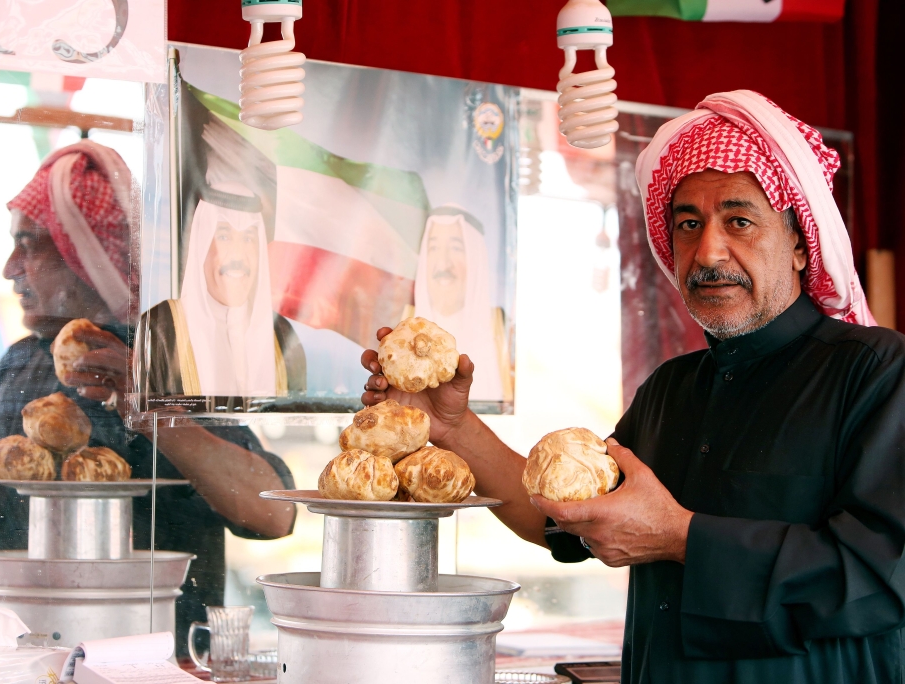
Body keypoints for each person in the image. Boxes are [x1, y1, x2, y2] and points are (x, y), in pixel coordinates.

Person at [359, 90, 905, 683]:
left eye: (740, 221)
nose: (708, 251)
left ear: (800, 243)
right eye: (688, 224)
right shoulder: (670, 390)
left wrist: (680, 538)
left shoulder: (876, 373)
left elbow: (882, 576)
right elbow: (564, 520)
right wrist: (451, 427)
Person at [0, 140, 296, 650]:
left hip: (150, 661)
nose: (9, 268)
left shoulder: (167, 358)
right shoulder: (22, 360)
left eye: (28, 244)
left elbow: (271, 512)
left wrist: (153, 412)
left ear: (84, 252)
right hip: (17, 661)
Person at [135, 182, 305, 397]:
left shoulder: (282, 334)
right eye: (224, 237)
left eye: (248, 238)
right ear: (202, 245)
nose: (238, 255)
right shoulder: (160, 327)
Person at [413, 206, 511, 402]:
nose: (443, 263)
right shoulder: (403, 331)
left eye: (456, 248)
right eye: (433, 248)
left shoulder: (501, 331)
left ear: (476, 259)